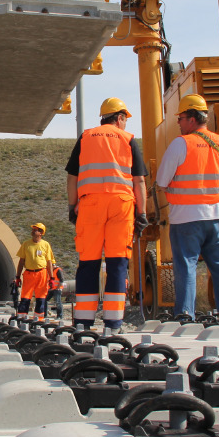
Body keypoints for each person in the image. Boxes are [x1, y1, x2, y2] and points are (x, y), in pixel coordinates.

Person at [66, 97, 148, 334]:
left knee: (88, 263)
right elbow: (139, 180)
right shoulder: (128, 139)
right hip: (121, 206)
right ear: (120, 117)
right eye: (125, 120)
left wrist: (72, 207)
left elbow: (72, 177)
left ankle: (83, 323)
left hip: (90, 205)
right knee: (117, 263)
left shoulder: (86, 137)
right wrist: (141, 213)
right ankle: (113, 325)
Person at [155, 94, 219, 319]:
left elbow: (162, 181)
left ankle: (185, 314)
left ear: (192, 118)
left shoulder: (180, 144)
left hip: (187, 218)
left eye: (181, 118)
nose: (179, 123)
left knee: (186, 266)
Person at [15, 223, 55, 321]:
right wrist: (17, 277)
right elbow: (21, 261)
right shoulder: (26, 244)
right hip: (29, 273)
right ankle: (21, 317)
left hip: (42, 273)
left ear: (41, 233)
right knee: (25, 296)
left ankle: (38, 319)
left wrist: (52, 278)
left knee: (41, 297)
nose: (33, 231)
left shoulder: (45, 245)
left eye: (35, 230)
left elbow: (49, 262)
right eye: (33, 229)